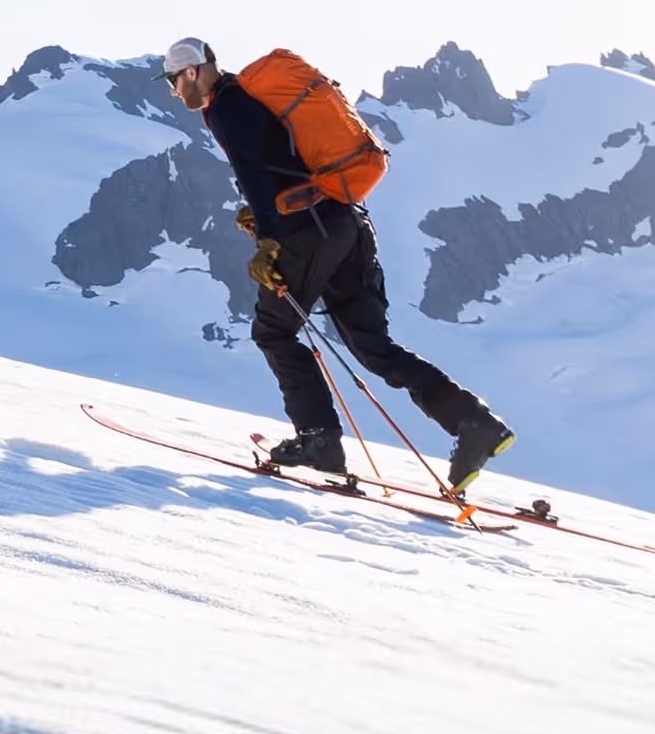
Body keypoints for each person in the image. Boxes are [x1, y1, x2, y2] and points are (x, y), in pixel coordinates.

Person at [162, 36, 514, 492]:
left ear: (192, 71)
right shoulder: (247, 98)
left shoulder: (228, 106)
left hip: (306, 230)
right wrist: (263, 210)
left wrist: (269, 241)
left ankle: (319, 440)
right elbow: (277, 167)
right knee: (373, 347)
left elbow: (254, 172)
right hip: (345, 223)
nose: (173, 90)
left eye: (173, 80)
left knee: (272, 330)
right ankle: (475, 424)